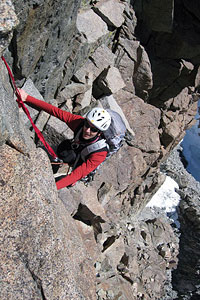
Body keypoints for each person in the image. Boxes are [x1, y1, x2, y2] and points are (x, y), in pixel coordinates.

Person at [19, 89, 111, 190]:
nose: (87, 130)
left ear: (100, 133)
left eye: (93, 129)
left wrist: (51, 190)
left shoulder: (100, 153)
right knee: (52, 151)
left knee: (66, 181)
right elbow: (56, 111)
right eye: (87, 124)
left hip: (82, 162)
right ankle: (55, 165)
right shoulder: (79, 123)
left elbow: (76, 174)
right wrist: (27, 98)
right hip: (73, 150)